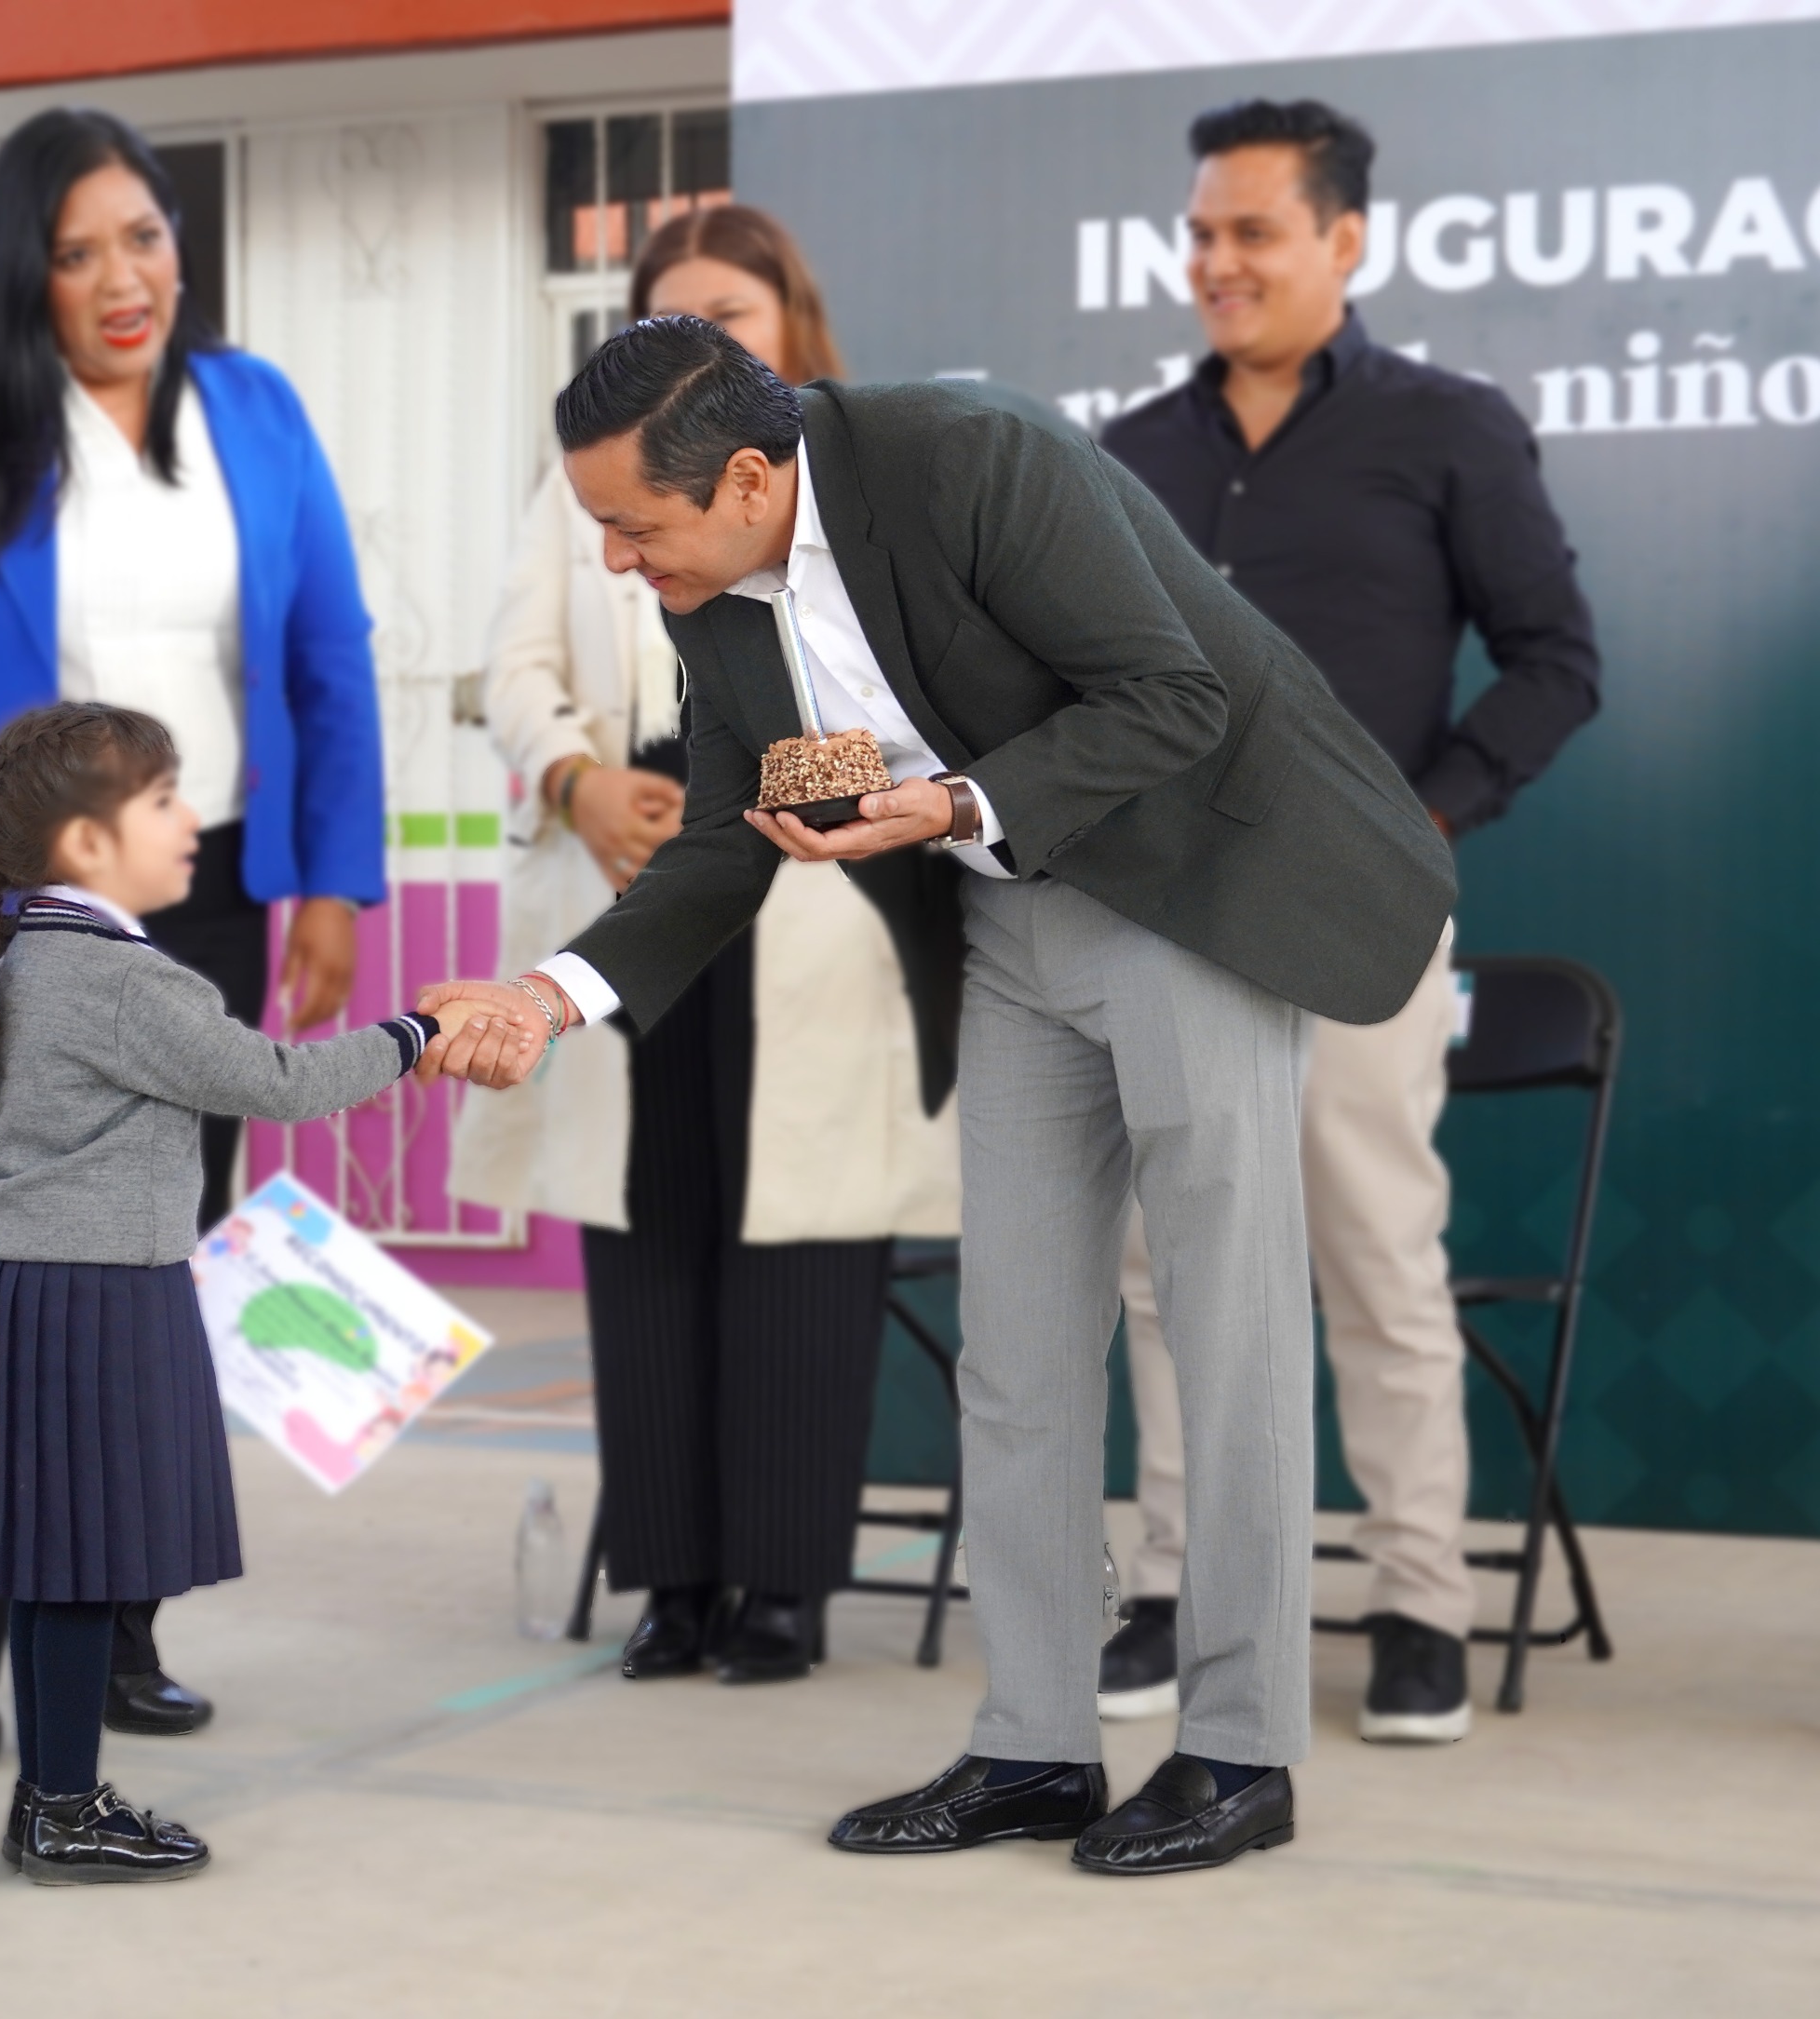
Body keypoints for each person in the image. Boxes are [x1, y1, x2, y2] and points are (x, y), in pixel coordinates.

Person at [418, 315, 1453, 1875]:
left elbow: (1173, 693)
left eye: (635, 526)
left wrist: (953, 800)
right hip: (1006, 925)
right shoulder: (717, 586)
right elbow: (722, 830)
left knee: (1224, 1323)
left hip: (1193, 892)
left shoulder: (975, 457)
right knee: (1019, 1349)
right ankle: (1035, 1741)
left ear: (753, 476)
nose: (621, 565)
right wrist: (548, 994)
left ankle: (1240, 1750)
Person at [0, 107, 385, 1770]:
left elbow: (329, 652)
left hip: (192, 898)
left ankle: (118, 1627)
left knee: (148, 1282)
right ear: (27, 272)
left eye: (142, 235)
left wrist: (332, 881)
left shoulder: (257, 412)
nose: (122, 277)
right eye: (77, 252)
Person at [1095, 99, 1600, 1746]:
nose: (1217, 264)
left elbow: (1553, 660)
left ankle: (1417, 1606)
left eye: (1251, 233)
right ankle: (1171, 1581)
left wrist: (1424, 812)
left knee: (1378, 1255)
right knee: (1163, 1271)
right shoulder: (1132, 454)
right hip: (1169, 920)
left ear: (1342, 242)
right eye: (1200, 234)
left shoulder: (1448, 428)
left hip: (1368, 917)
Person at [449, 206, 961, 1687]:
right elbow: (517, 668)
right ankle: (669, 1579)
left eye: (732, 315)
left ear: (787, 331)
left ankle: (788, 1587)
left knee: (804, 1242)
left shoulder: (850, 486)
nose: (702, 343)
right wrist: (579, 780)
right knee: (649, 1236)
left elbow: (899, 689)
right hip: (633, 874)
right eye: (668, 319)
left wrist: (781, 789)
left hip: (818, 894)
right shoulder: (577, 500)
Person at [0, 702, 523, 1883]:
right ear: (84, 846)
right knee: (80, 1564)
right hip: (99, 1294)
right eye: (161, 801)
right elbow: (275, 1082)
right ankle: (64, 1808)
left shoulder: (21, 952)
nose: (191, 821)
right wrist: (419, 1031)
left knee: (49, 1563)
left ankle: (46, 1796)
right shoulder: (118, 979)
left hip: (34, 1284)